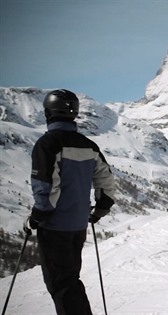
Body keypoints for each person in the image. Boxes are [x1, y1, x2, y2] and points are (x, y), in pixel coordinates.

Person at [23, 89, 116, 315]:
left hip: (55, 227)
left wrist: (37, 216)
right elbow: (106, 180)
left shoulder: (48, 143)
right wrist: (100, 209)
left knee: (61, 285)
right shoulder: (88, 145)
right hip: (78, 226)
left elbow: (46, 186)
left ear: (48, 112)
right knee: (70, 280)